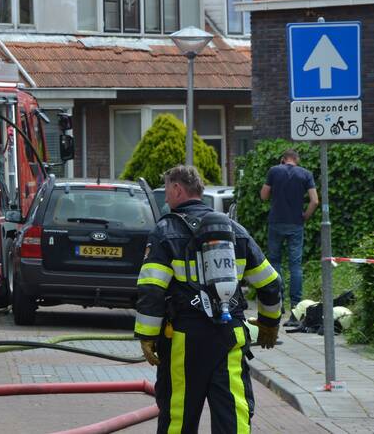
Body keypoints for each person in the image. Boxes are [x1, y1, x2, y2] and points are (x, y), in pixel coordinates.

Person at [136, 165, 283, 434]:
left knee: (179, 413)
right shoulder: (235, 230)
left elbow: (151, 288)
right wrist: (269, 324)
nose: (166, 198)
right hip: (228, 334)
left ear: (178, 189)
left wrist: (146, 336)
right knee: (232, 414)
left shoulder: (165, 231)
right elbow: (271, 283)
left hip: (183, 338)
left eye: (167, 191)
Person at [260, 148, 318, 315]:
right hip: (296, 224)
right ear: (296, 159)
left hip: (276, 222)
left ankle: (277, 301)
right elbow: (314, 201)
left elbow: (264, 196)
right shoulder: (305, 174)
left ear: (283, 159)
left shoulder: (274, 171)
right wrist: (305, 216)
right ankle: (296, 305)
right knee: (295, 265)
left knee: (275, 262)